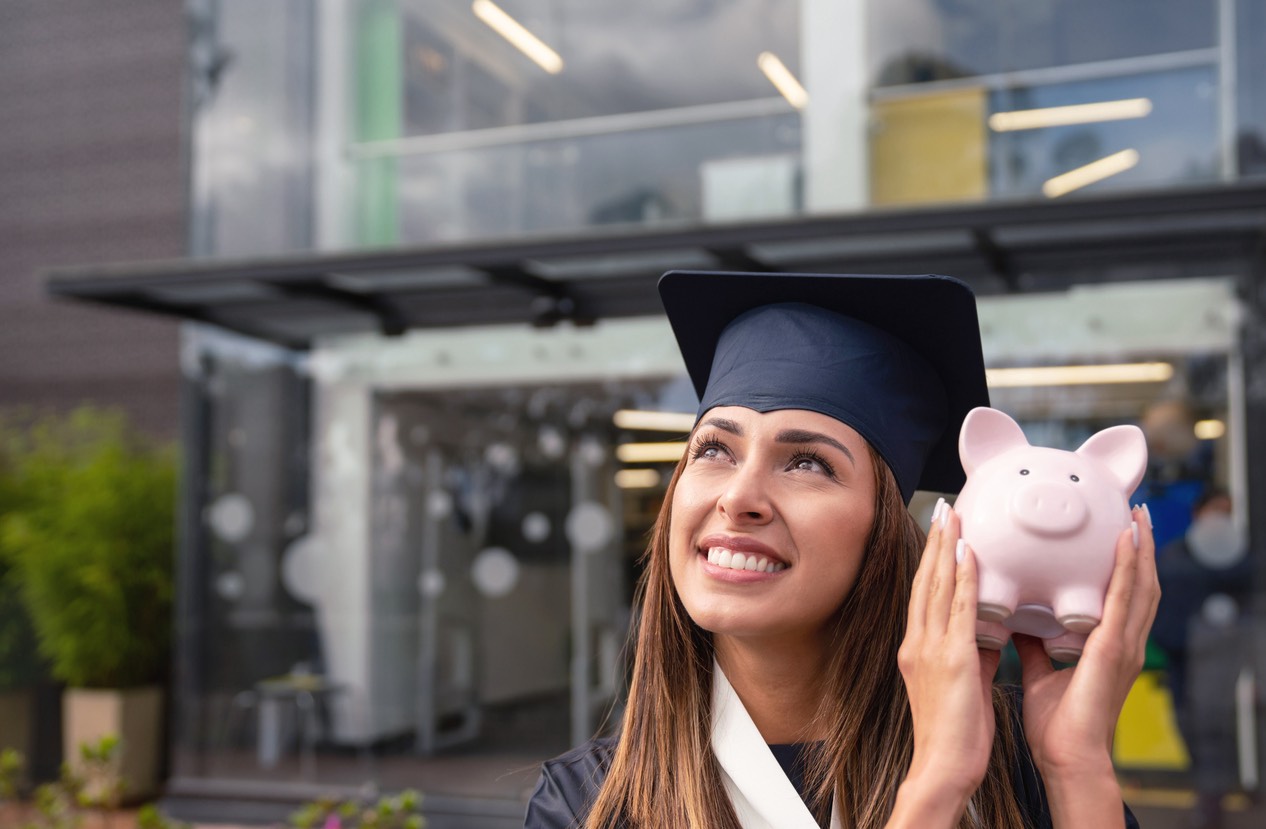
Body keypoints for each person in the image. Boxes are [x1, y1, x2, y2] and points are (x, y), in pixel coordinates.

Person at [524, 271, 1156, 829]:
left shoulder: (1018, 763)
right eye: (714, 450)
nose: (740, 498)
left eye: (807, 463)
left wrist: (1076, 771)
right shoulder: (589, 804)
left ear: (885, 528)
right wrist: (936, 781)